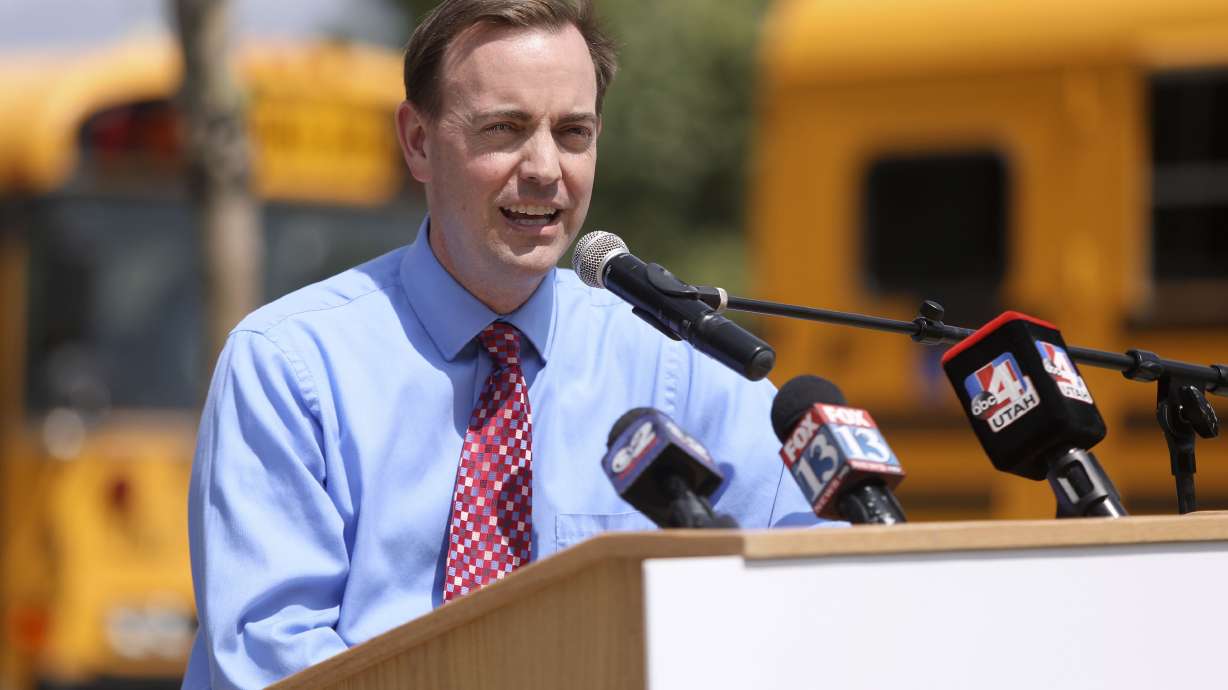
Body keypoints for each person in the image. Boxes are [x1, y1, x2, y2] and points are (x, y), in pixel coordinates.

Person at [181, 1, 824, 688]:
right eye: (506, 129)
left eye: (573, 133)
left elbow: (821, 574)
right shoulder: (290, 366)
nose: (546, 168)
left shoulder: (674, 360)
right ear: (419, 142)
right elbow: (272, 661)